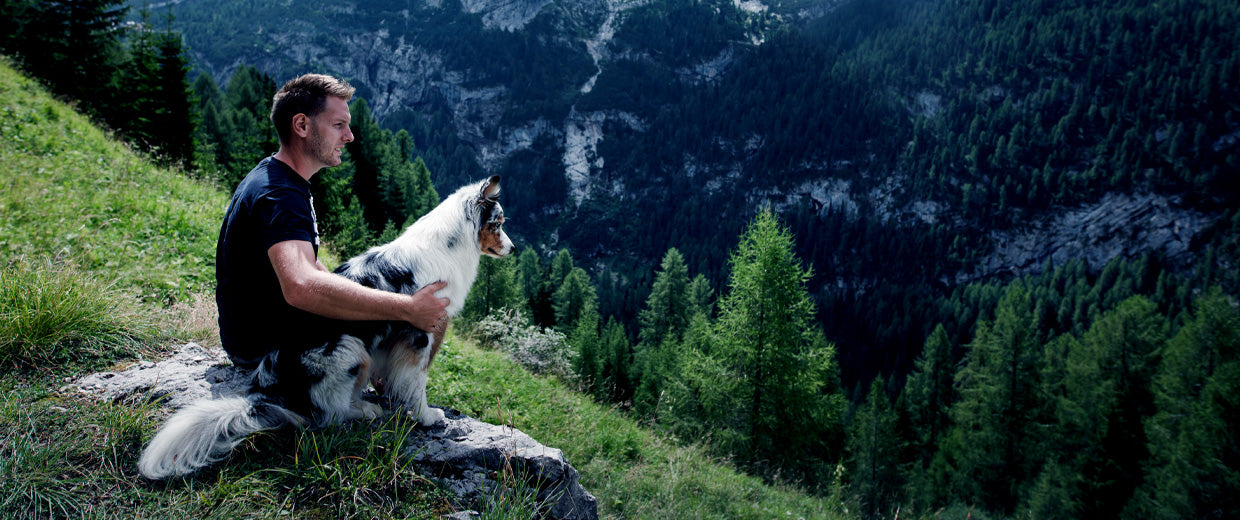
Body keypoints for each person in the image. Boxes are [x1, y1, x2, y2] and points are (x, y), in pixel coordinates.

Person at [215, 73, 449, 369]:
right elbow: (300, 284)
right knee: (432, 303)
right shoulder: (279, 194)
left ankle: (383, 380)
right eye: (339, 125)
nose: (349, 136)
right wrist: (407, 308)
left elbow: (309, 266)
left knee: (411, 297)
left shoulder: (278, 179)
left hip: (261, 338)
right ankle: (399, 399)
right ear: (302, 125)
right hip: (269, 351)